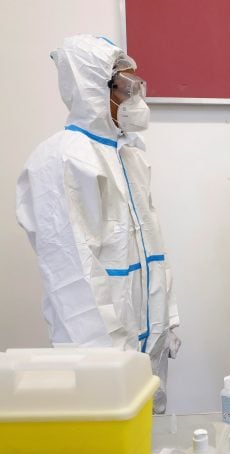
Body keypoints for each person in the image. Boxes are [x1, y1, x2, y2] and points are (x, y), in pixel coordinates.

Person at [16, 35, 180, 414]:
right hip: (99, 357)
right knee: (108, 449)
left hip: (145, 346)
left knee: (146, 450)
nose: (136, 97)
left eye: (137, 86)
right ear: (92, 87)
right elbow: (73, 276)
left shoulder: (130, 155)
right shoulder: (62, 159)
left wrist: (167, 318)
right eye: (125, 87)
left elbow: (152, 248)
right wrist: (111, 363)